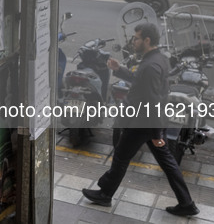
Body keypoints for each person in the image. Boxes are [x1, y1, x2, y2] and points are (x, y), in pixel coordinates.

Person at [82, 23, 200, 217]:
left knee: (121, 156)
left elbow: (152, 101)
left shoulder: (151, 65)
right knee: (166, 162)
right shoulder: (157, 59)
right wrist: (119, 69)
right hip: (148, 122)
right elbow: (140, 81)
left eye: (136, 38)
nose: (133, 41)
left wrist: (155, 134)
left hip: (142, 122)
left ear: (147, 40)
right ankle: (186, 203)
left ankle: (105, 194)